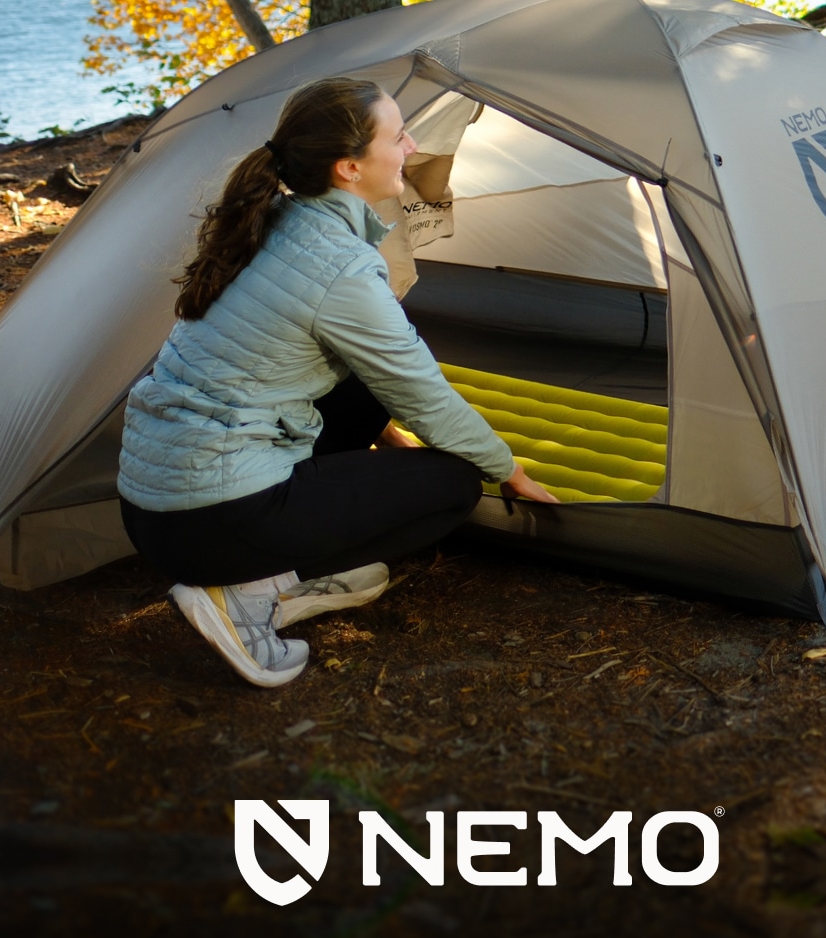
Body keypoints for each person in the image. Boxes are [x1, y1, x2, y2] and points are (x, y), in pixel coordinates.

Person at [117, 76, 558, 688]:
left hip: (154, 504)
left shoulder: (273, 218)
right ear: (349, 167)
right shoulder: (340, 267)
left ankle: (269, 564)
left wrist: (386, 443)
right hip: (211, 520)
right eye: (398, 137)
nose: (411, 146)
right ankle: (247, 594)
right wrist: (508, 471)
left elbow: (385, 379)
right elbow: (423, 394)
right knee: (454, 484)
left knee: (368, 381)